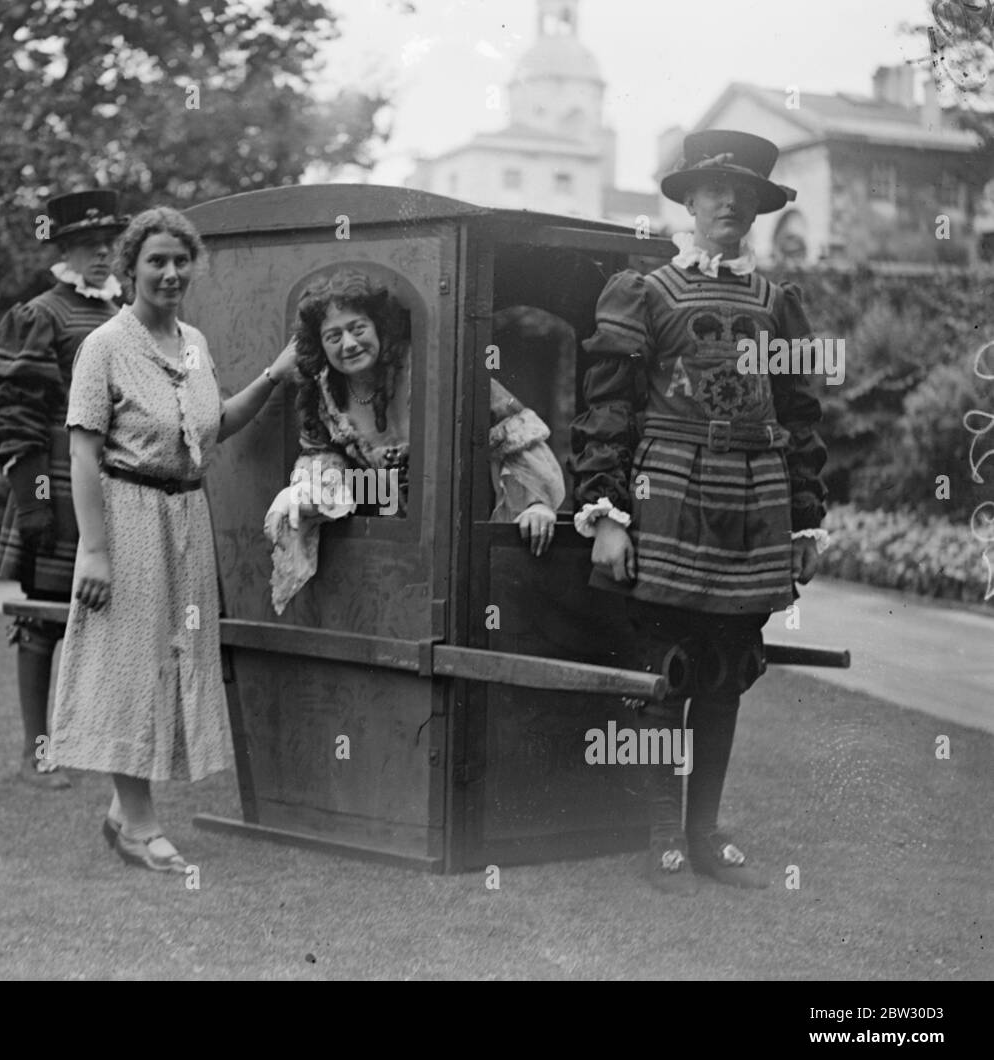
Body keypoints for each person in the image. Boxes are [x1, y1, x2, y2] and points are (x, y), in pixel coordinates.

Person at [569, 130, 830, 895]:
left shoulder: (777, 303)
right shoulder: (645, 292)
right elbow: (607, 408)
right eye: (715, 190)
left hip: (753, 504)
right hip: (669, 495)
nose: (729, 203)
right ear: (687, 199)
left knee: (727, 669)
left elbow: (803, 415)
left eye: (744, 194)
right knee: (666, 672)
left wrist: (806, 521)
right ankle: (661, 840)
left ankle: (706, 833)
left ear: (757, 208)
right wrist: (608, 513)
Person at [48, 206, 299, 872]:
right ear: (130, 268)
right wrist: (95, 551)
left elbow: (216, 425)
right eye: (156, 260)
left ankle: (120, 809)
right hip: (127, 516)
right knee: (132, 666)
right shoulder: (104, 345)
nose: (170, 271)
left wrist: (276, 374)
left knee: (174, 660)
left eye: (180, 259)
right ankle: (140, 826)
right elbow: (82, 456)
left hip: (187, 517)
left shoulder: (193, 342)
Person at [264, 269, 567, 613]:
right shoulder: (326, 394)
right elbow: (327, 464)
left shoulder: (427, 366)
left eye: (357, 328)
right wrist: (308, 493)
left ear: (378, 326)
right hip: (386, 545)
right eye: (333, 335)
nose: (348, 344)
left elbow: (511, 434)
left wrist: (535, 504)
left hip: (456, 535)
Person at [0, 189, 128, 789]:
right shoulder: (43, 313)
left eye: (109, 245)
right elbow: (14, 414)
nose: (102, 256)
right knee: (42, 622)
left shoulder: (126, 314)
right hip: (58, 488)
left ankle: (92, 742)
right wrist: (34, 498)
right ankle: (33, 752)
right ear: (64, 247)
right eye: (89, 246)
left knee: (106, 617)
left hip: (116, 485)